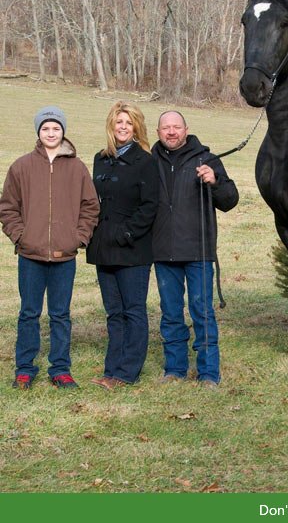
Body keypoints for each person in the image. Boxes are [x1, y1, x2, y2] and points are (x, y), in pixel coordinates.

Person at [0, 106, 99, 389]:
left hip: (64, 256)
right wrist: (21, 236)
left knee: (60, 314)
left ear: (63, 131)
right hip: (30, 255)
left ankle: (60, 368)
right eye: (46, 128)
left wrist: (78, 237)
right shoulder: (21, 166)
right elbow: (8, 207)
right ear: (38, 132)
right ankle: (24, 368)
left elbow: (90, 206)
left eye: (56, 128)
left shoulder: (77, 168)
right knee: (29, 313)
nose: (51, 133)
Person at [152, 110, 239, 386]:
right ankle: (175, 369)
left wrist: (214, 182)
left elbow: (230, 200)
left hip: (198, 251)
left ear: (186, 130)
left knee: (202, 311)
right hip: (163, 251)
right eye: (166, 127)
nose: (171, 131)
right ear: (158, 132)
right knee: (170, 313)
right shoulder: (149, 161)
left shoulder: (207, 159)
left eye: (176, 126)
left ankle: (209, 373)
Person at [87, 101, 159, 390]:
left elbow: (150, 205)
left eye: (129, 123)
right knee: (113, 312)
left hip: (133, 249)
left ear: (136, 127)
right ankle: (111, 369)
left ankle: (128, 372)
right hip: (103, 246)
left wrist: (127, 233)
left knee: (133, 310)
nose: (123, 127)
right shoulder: (100, 158)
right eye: (119, 122)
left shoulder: (146, 161)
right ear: (111, 125)